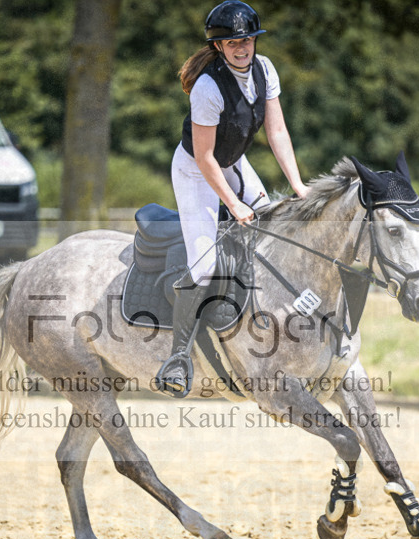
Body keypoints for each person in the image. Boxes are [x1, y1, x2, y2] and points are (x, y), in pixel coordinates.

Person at [157, 0, 309, 396]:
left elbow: (277, 132)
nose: (242, 47)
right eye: (232, 42)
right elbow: (205, 158)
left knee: (278, 232)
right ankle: (177, 357)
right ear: (219, 47)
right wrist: (235, 204)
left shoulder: (265, 70)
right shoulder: (208, 87)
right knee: (205, 268)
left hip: (232, 163)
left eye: (247, 40)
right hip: (195, 170)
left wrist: (298, 185)